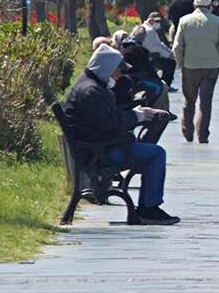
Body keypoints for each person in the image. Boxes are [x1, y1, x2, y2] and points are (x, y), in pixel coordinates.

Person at [63, 45, 180, 225]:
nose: (119, 75)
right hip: (100, 153)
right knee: (156, 154)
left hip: (97, 147)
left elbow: (106, 118)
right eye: (117, 70)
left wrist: (136, 113)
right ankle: (149, 208)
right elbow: (109, 125)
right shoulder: (91, 92)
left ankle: (148, 205)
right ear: (106, 68)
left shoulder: (89, 86)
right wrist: (137, 116)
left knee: (151, 151)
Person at [172, 0, 219, 144]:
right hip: (210, 67)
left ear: (194, 5)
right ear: (210, 6)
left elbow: (177, 46)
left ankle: (187, 131)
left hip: (189, 66)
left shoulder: (184, 21)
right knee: (206, 102)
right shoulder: (218, 22)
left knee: (189, 101)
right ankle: (203, 134)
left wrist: (180, 64)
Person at [112, 30, 171, 114]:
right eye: (123, 37)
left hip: (133, 80)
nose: (125, 40)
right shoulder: (113, 52)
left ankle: (163, 110)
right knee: (160, 85)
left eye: (126, 37)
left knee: (162, 85)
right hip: (126, 82)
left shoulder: (134, 49)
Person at [133, 12, 177, 90]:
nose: (158, 23)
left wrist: (170, 52)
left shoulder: (147, 29)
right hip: (151, 56)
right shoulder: (149, 30)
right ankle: (166, 84)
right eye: (156, 21)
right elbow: (155, 47)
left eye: (159, 21)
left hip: (150, 54)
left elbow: (159, 44)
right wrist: (169, 55)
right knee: (170, 63)